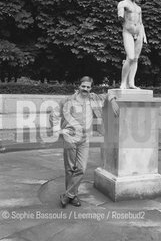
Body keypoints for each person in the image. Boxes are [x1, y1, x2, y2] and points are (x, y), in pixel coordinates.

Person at [49, 76, 119, 208]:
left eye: (88, 87)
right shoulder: (69, 100)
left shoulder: (93, 98)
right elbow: (54, 113)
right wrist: (58, 130)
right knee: (70, 169)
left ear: (91, 88)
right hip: (70, 137)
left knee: (81, 168)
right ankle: (73, 196)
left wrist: (113, 101)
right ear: (79, 86)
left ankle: (67, 195)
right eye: (83, 86)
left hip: (84, 139)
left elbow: (110, 93)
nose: (85, 89)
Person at [117, 0, 147, 89]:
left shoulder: (138, 8)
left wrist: (144, 36)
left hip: (139, 33)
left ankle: (131, 83)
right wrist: (121, 14)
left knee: (135, 59)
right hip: (128, 32)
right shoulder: (123, 4)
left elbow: (141, 22)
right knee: (130, 57)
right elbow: (120, 16)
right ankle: (123, 83)